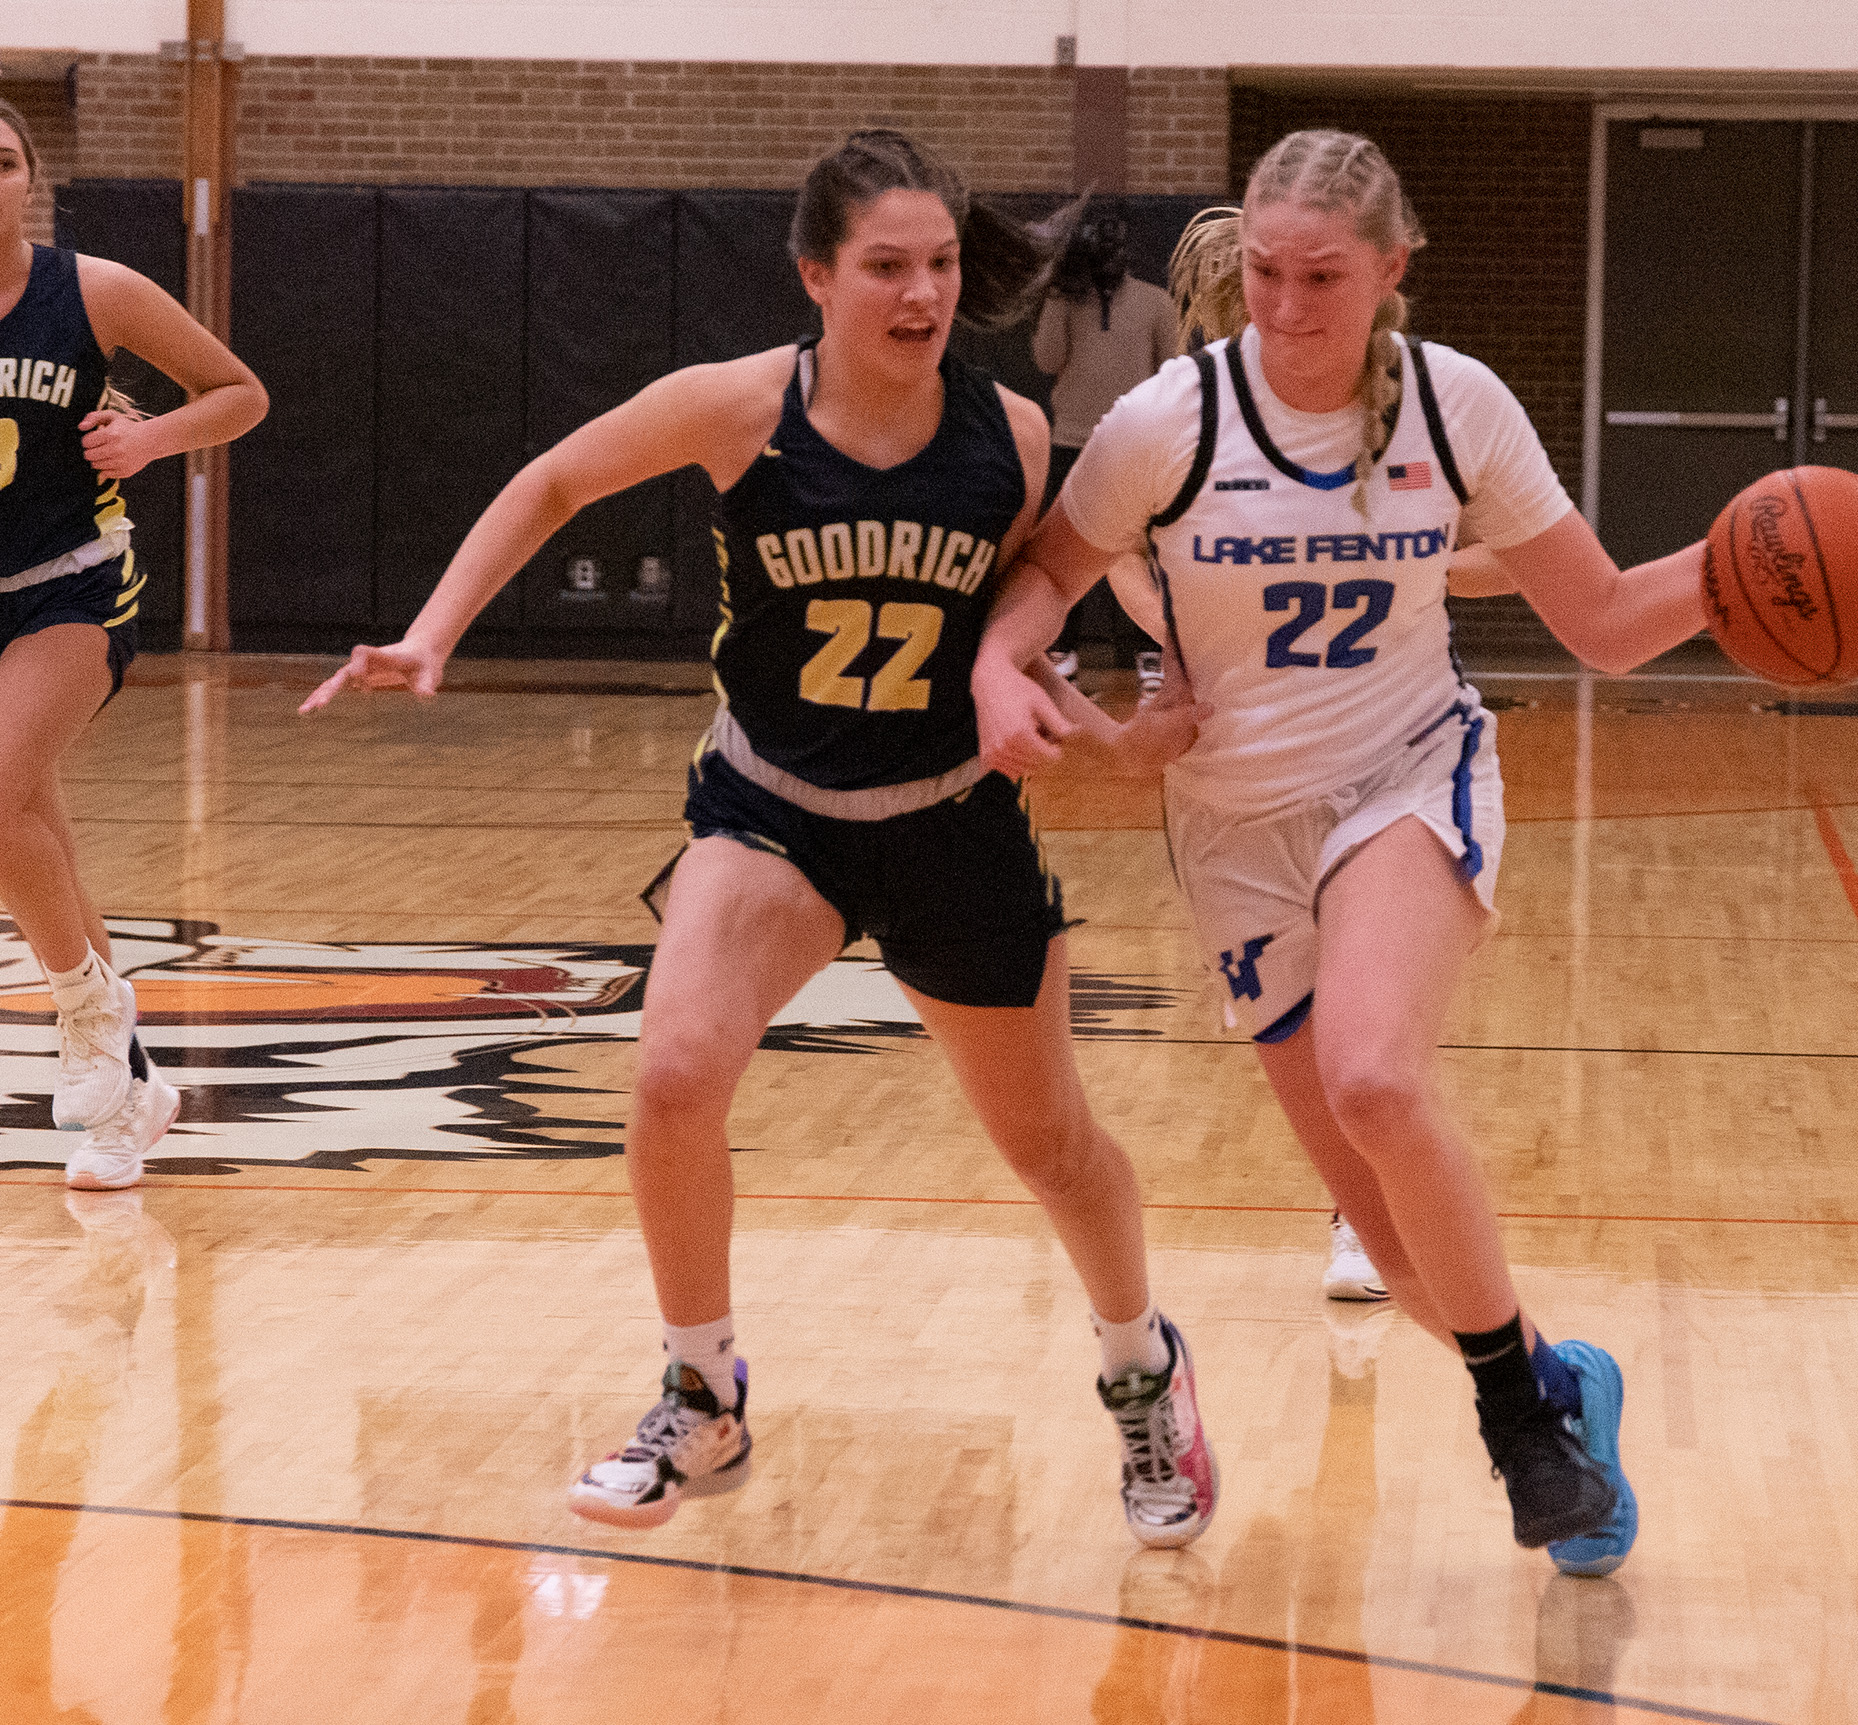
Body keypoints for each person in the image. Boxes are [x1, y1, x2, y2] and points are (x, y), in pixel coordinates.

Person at [300, 130, 1218, 1545]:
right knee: (673, 1074)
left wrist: (1153, 691)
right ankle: (702, 1388)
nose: (921, 294)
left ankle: (1140, 1365)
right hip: (773, 807)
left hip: (947, 815)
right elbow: (552, 480)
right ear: (817, 275)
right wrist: (432, 633)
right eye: (886, 267)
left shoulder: (1010, 435)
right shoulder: (737, 408)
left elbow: (1050, 578)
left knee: (1050, 1144)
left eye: (941, 265)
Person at [974, 130, 1712, 1579]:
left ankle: (1517, 1425)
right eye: (1264, 272)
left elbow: (1610, 621)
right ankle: (1564, 1384)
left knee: (1378, 1077)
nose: (1288, 305)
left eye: (1323, 277)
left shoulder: (1460, 406)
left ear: (1392, 271)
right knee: (1400, 1243)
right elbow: (1036, 588)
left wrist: (1746, 567)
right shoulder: (1168, 425)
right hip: (1237, 833)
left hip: (1407, 777)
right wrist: (1014, 675)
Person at [0, 100, 267, 1190]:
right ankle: (134, 1089)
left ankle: (85, 1011)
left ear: (31, 179)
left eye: (3, 159)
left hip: (71, 588)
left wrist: (151, 437)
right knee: (30, 835)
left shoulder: (92, 291)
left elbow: (241, 393)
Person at [1030, 202, 1175, 685]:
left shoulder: (1156, 302)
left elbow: (1173, 370)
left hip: (1136, 444)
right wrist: (1057, 297)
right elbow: (1047, 359)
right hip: (1072, 439)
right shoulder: (1067, 301)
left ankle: (1149, 649)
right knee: (1063, 550)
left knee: (1140, 551)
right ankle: (1061, 647)